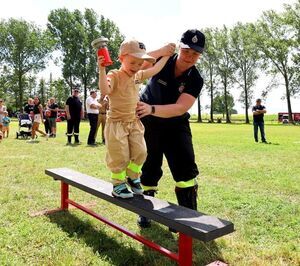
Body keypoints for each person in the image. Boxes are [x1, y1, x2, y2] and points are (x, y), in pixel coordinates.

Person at [136, 29, 205, 228]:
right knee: (149, 166)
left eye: (195, 53)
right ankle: (145, 211)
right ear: (179, 47)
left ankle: (186, 216)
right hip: (149, 121)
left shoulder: (195, 78)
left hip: (175, 123)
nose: (190, 57)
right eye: (186, 51)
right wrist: (162, 50)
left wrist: (152, 108)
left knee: (185, 170)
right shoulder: (163, 60)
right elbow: (139, 65)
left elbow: (181, 107)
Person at [98, 39, 170, 199]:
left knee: (141, 152)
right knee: (119, 156)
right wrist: (101, 69)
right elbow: (104, 89)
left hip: (134, 122)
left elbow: (156, 68)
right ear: (121, 58)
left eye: (140, 64)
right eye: (132, 62)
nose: (136, 67)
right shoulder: (114, 75)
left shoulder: (138, 75)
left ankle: (132, 176)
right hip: (117, 123)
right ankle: (118, 184)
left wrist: (166, 55)